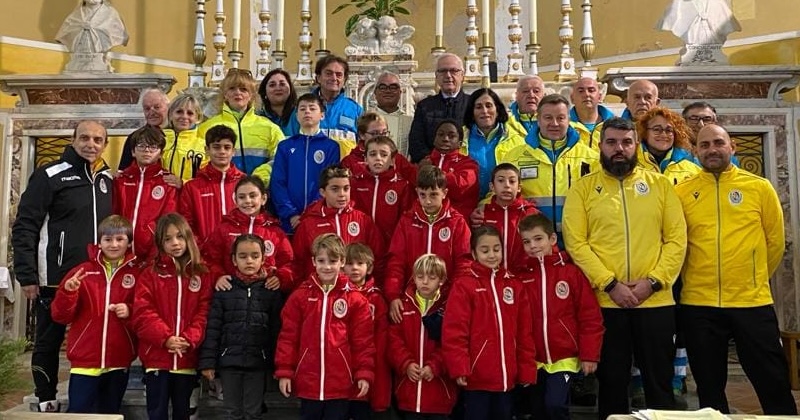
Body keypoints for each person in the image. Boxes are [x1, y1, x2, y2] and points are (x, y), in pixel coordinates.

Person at [562, 117, 687, 419]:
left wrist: (653, 283)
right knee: (612, 384)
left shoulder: (659, 185)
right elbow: (576, 243)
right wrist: (610, 284)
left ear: (636, 145)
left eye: (626, 142)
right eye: (612, 142)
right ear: (601, 146)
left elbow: (676, 239)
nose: (619, 149)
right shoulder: (583, 189)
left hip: (655, 302)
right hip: (606, 303)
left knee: (659, 383)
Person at [675, 124, 798, 415]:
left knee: (772, 379)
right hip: (699, 302)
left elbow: (774, 241)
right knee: (708, 386)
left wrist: (752, 276)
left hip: (750, 300)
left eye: (718, 143)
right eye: (704, 145)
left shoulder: (759, 187)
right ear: (696, 152)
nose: (712, 149)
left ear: (733, 147)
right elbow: (677, 243)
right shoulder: (682, 192)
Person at [12, 119, 113, 412]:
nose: (90, 144)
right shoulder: (49, 175)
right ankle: (45, 395)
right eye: (85, 138)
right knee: (48, 339)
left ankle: (94, 394)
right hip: (54, 277)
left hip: (96, 277)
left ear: (105, 144)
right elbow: (25, 225)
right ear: (73, 140)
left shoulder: (107, 179)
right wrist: (27, 274)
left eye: (97, 140)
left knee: (94, 337)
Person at [275, 233, 375, 419]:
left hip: (341, 382)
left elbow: (363, 342)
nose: (327, 266)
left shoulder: (355, 300)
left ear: (342, 262)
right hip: (308, 381)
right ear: (313, 262)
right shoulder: (300, 297)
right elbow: (288, 337)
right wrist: (285, 371)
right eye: (321, 260)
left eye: (333, 260)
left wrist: (363, 373)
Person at [514, 213, 604, 420]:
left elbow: (589, 316)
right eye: (527, 241)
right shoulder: (521, 277)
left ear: (552, 240)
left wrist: (590, 354)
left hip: (564, 358)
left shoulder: (571, 273)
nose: (533, 246)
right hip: (533, 360)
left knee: (555, 406)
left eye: (538, 239)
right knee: (537, 410)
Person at [442, 225, 537, 420]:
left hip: (507, 378)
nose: (492, 255)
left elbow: (524, 333)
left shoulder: (514, 285)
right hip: (476, 378)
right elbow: (454, 332)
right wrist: (459, 366)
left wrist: (526, 369)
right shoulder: (464, 285)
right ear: (474, 254)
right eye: (485, 250)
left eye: (496, 249)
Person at [50, 215, 139, 414]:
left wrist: (129, 310)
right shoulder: (82, 272)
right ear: (99, 242)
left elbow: (145, 313)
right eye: (108, 239)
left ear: (129, 242)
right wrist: (68, 292)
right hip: (85, 361)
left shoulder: (137, 274)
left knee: (110, 413)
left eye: (120, 239)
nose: (113, 244)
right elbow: (60, 316)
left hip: (118, 359)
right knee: (79, 413)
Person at [131, 213, 213, 420]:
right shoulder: (150, 273)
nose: (175, 243)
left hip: (186, 358)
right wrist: (166, 338)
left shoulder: (201, 273)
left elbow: (204, 311)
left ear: (188, 238)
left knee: (183, 414)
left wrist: (189, 339)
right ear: (160, 243)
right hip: (157, 357)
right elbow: (142, 313)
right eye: (168, 239)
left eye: (179, 237)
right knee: (156, 413)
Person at [198, 234, 284, 420]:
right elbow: (213, 329)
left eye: (255, 256)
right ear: (234, 260)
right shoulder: (224, 290)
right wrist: (208, 363)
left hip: (258, 363)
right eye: (243, 256)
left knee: (253, 412)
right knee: (231, 412)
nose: (249, 261)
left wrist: (279, 365)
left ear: (263, 258)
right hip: (229, 363)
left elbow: (277, 332)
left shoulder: (271, 292)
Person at [500, 94, 598, 243]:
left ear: (569, 119)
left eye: (560, 118)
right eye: (548, 118)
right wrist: (483, 208)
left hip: (578, 242)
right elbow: (497, 193)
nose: (554, 123)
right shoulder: (514, 157)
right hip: (532, 244)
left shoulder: (591, 158)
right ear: (538, 120)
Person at [385, 165, 471, 323]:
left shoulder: (457, 222)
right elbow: (396, 261)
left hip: (446, 300)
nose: (428, 201)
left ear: (444, 193)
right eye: (422, 195)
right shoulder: (407, 221)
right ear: (417, 192)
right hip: (412, 298)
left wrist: (455, 297)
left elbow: (464, 264)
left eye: (434, 194)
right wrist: (393, 295)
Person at [388, 254, 458, 418]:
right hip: (408, 393)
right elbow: (393, 341)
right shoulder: (403, 306)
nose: (425, 282)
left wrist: (434, 366)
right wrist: (406, 363)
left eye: (431, 277)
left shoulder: (449, 307)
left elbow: (452, 343)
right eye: (420, 277)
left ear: (441, 280)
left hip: (439, 393)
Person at [291, 164, 385, 283]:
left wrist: (372, 288)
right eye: (335, 189)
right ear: (323, 192)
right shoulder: (308, 224)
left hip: (357, 293)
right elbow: (297, 264)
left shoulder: (363, 220)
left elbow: (379, 258)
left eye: (346, 188)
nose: (342, 194)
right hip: (321, 292)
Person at [203, 176, 294, 293]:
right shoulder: (224, 228)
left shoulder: (275, 232)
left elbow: (289, 263)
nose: (247, 201)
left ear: (263, 199)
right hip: (231, 294)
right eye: (241, 197)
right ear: (235, 200)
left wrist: (280, 277)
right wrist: (218, 277)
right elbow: (209, 259)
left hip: (264, 297)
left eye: (252, 196)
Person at [270, 94, 341, 234]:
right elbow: (278, 183)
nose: (307, 111)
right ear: (297, 116)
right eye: (302, 109)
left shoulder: (331, 147)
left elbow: (330, 182)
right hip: (290, 221)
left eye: (312, 108)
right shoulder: (285, 146)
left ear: (322, 115)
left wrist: (310, 213)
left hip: (319, 218)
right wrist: (290, 213)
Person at [197, 68, 285, 182]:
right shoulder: (207, 127)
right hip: (221, 190)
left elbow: (282, 157)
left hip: (258, 192)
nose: (238, 92)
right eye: (232, 88)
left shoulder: (270, 127)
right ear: (225, 94)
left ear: (251, 96)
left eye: (243, 89)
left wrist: (259, 178)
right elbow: (200, 160)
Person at [113, 125, 177, 262]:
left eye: (153, 146)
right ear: (133, 152)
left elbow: (167, 223)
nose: (147, 150)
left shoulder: (168, 182)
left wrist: (155, 255)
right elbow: (113, 216)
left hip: (153, 255)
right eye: (141, 145)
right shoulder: (120, 180)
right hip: (121, 253)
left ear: (160, 153)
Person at [344, 243, 391, 417]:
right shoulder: (336, 296)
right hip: (343, 366)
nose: (354, 268)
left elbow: (381, 339)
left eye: (360, 263)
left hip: (370, 364)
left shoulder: (377, 299)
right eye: (349, 263)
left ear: (369, 267)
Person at [179, 125, 246, 247]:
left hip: (241, 255)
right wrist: (201, 247)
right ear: (207, 150)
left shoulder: (245, 183)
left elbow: (254, 218)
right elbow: (186, 223)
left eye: (227, 147)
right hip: (206, 255)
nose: (222, 151)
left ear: (233, 151)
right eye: (216, 147)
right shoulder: (192, 187)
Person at [349, 135, 415, 247]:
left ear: (392, 161)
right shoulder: (355, 183)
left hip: (390, 246)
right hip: (360, 247)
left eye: (384, 155)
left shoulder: (402, 186)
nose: (378, 158)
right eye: (373, 154)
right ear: (365, 159)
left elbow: (405, 220)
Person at [462, 88, 526, 199]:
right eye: (478, 107)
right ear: (472, 112)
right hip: (466, 206)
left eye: (489, 105)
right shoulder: (459, 138)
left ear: (497, 110)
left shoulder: (516, 139)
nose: (484, 111)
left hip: (501, 205)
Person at [408, 53, 470, 163]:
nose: (448, 75)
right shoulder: (425, 106)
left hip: (464, 166)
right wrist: (432, 161)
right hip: (432, 168)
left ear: (462, 75)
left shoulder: (473, 104)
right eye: (443, 71)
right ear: (436, 76)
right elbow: (416, 141)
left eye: (454, 71)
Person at [418, 120, 480, 222]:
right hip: (426, 223)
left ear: (460, 143)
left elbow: (461, 188)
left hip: (457, 224)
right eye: (441, 134)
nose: (445, 139)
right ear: (434, 140)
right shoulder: (425, 162)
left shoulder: (469, 164)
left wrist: (432, 172)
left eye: (451, 136)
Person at [482, 163, 539, 270]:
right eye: (500, 180)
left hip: (524, 277)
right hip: (491, 279)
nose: (507, 185)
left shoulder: (531, 213)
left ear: (519, 188)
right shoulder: (482, 214)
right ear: (492, 187)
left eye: (512, 181)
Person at [307, 55, 364, 156]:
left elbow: (363, 144)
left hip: (344, 169)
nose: (334, 78)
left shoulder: (355, 109)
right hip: (311, 166)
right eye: (328, 73)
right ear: (318, 78)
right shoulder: (304, 107)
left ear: (344, 80)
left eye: (339, 75)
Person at [341, 112, 416, 182]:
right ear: (362, 135)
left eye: (384, 133)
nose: (381, 137)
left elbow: (416, 183)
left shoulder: (397, 159)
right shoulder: (350, 162)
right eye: (375, 133)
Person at [55, 0, 128, 71]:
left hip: (100, 66)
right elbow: (64, 33)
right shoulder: (74, 17)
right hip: (75, 66)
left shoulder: (111, 15)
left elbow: (120, 36)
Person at [636, 107, 701, 185]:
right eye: (657, 129)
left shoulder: (691, 167)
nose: (664, 135)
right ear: (645, 132)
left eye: (669, 130)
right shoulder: (631, 163)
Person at [118, 88, 169, 171]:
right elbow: (123, 171)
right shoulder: (134, 137)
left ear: (168, 107)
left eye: (157, 107)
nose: (151, 112)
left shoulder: (178, 135)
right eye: (147, 108)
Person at [162, 93, 207, 184]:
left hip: (190, 196)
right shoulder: (159, 139)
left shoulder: (204, 145)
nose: (184, 116)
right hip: (160, 195)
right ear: (170, 115)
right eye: (179, 112)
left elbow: (207, 177)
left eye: (190, 113)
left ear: (197, 118)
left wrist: (183, 182)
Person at [658, 0, 741, 45]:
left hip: (715, 53)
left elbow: (727, 23)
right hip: (690, 53)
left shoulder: (719, 4)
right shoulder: (678, 5)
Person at [371, 71, 413, 158]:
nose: (388, 91)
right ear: (375, 92)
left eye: (393, 87)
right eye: (383, 87)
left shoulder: (410, 121)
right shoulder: (366, 120)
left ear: (400, 92)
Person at [569, 77, 615, 150]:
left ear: (600, 97)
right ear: (572, 98)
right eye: (581, 91)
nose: (586, 94)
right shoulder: (564, 125)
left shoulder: (614, 124)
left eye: (591, 90)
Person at [257, 68, 298, 136]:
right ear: (264, 91)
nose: (278, 88)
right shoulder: (258, 118)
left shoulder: (301, 114)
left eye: (282, 84)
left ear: (290, 88)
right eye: (272, 85)